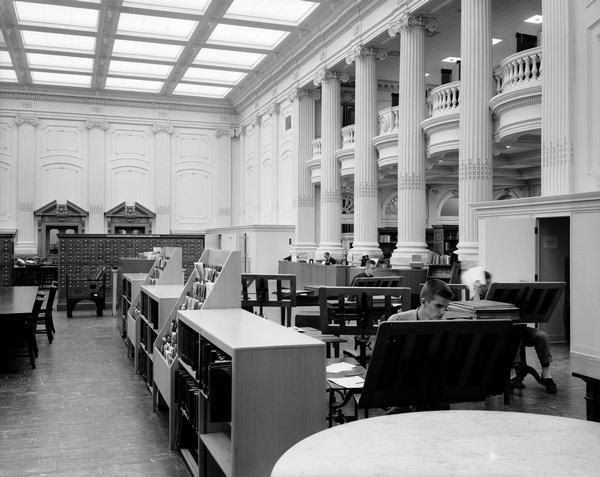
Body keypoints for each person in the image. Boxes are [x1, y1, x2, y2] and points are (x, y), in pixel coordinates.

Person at [467, 268, 557, 395]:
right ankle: (514, 373)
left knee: (541, 335)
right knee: (514, 334)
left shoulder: (499, 294)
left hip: (517, 328)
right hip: (498, 334)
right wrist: (476, 291)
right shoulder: (474, 298)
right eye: (484, 284)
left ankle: (546, 374)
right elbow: (477, 315)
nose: (487, 286)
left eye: (489, 283)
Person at [388, 279, 454, 321]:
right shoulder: (396, 321)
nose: (443, 312)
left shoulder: (446, 325)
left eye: (446, 307)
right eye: (438, 306)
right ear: (423, 302)